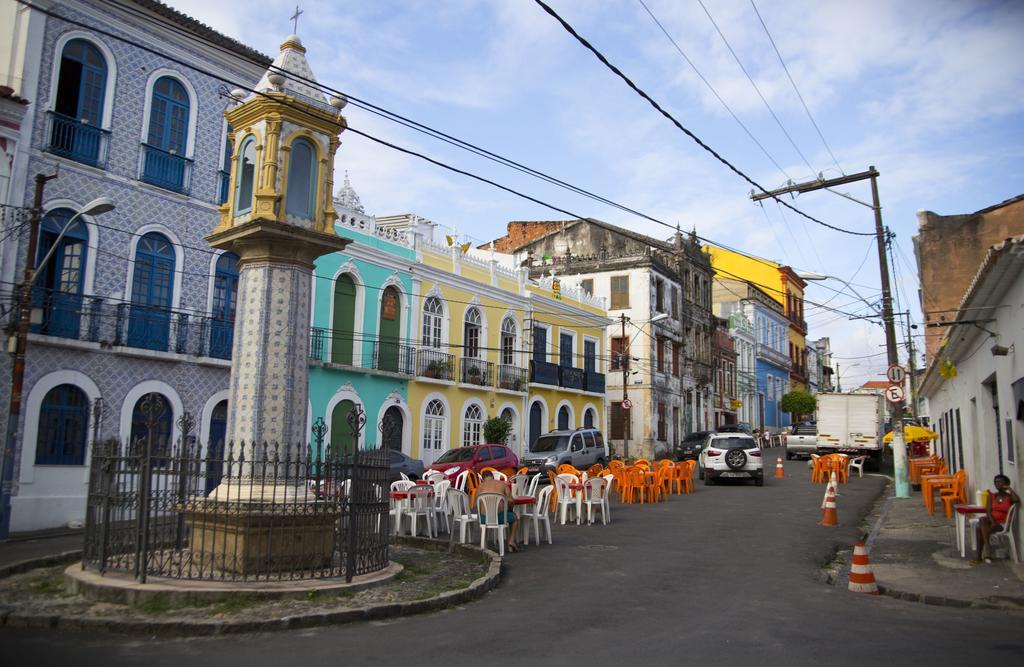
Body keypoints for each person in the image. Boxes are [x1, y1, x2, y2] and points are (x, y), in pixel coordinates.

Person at [974, 474, 1020, 563]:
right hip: (990, 522)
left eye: (1000, 482)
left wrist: (1009, 489)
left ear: (1006, 483)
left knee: (979, 528)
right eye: (995, 482)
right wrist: (993, 522)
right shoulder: (991, 496)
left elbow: (1017, 500)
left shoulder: (1009, 497)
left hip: (1002, 524)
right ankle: (987, 551)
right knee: (982, 520)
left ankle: (980, 556)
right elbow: (988, 511)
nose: (997, 484)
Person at [476, 470, 521, 552]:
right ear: (493, 477)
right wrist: (509, 509)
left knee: (482, 516)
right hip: (500, 517)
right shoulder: (502, 484)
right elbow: (511, 501)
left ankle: (483, 543)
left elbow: (478, 504)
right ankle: (511, 541)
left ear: (482, 479)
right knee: (514, 518)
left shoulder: (479, 487)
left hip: (484, 519)